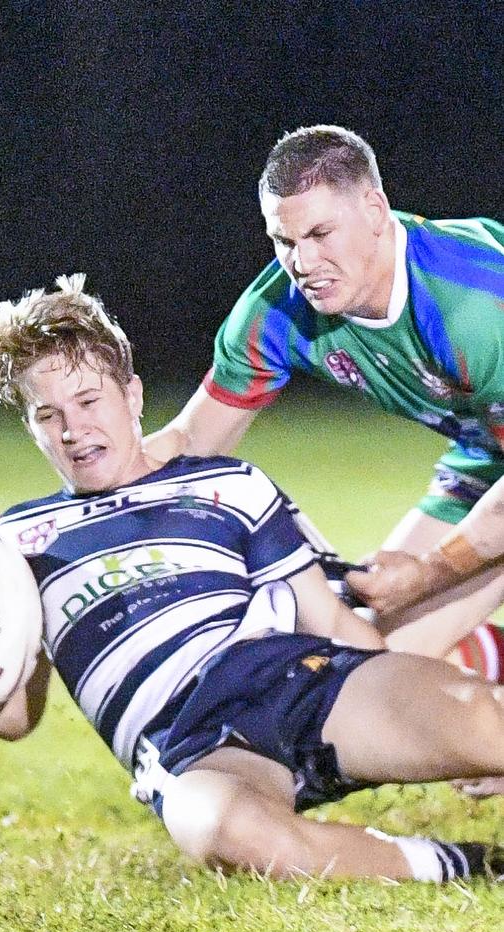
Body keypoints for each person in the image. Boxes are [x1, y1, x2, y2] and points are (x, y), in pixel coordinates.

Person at [0, 275, 504, 883]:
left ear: (132, 396)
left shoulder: (227, 485)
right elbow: (16, 714)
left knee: (478, 719)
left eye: (90, 401)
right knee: (228, 835)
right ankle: (469, 865)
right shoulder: (13, 544)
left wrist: (439, 718)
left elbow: (335, 625)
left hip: (300, 681)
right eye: (49, 415)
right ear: (31, 426)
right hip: (194, 745)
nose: (74, 430)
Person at [144, 124, 504, 681]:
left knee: (385, 672)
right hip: (487, 461)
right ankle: (477, 666)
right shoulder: (276, 312)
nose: (302, 262)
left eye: (320, 233)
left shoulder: (476, 304)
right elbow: (190, 446)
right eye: (284, 241)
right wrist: (55, 521)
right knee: (354, 671)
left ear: (376, 208)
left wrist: (430, 574)